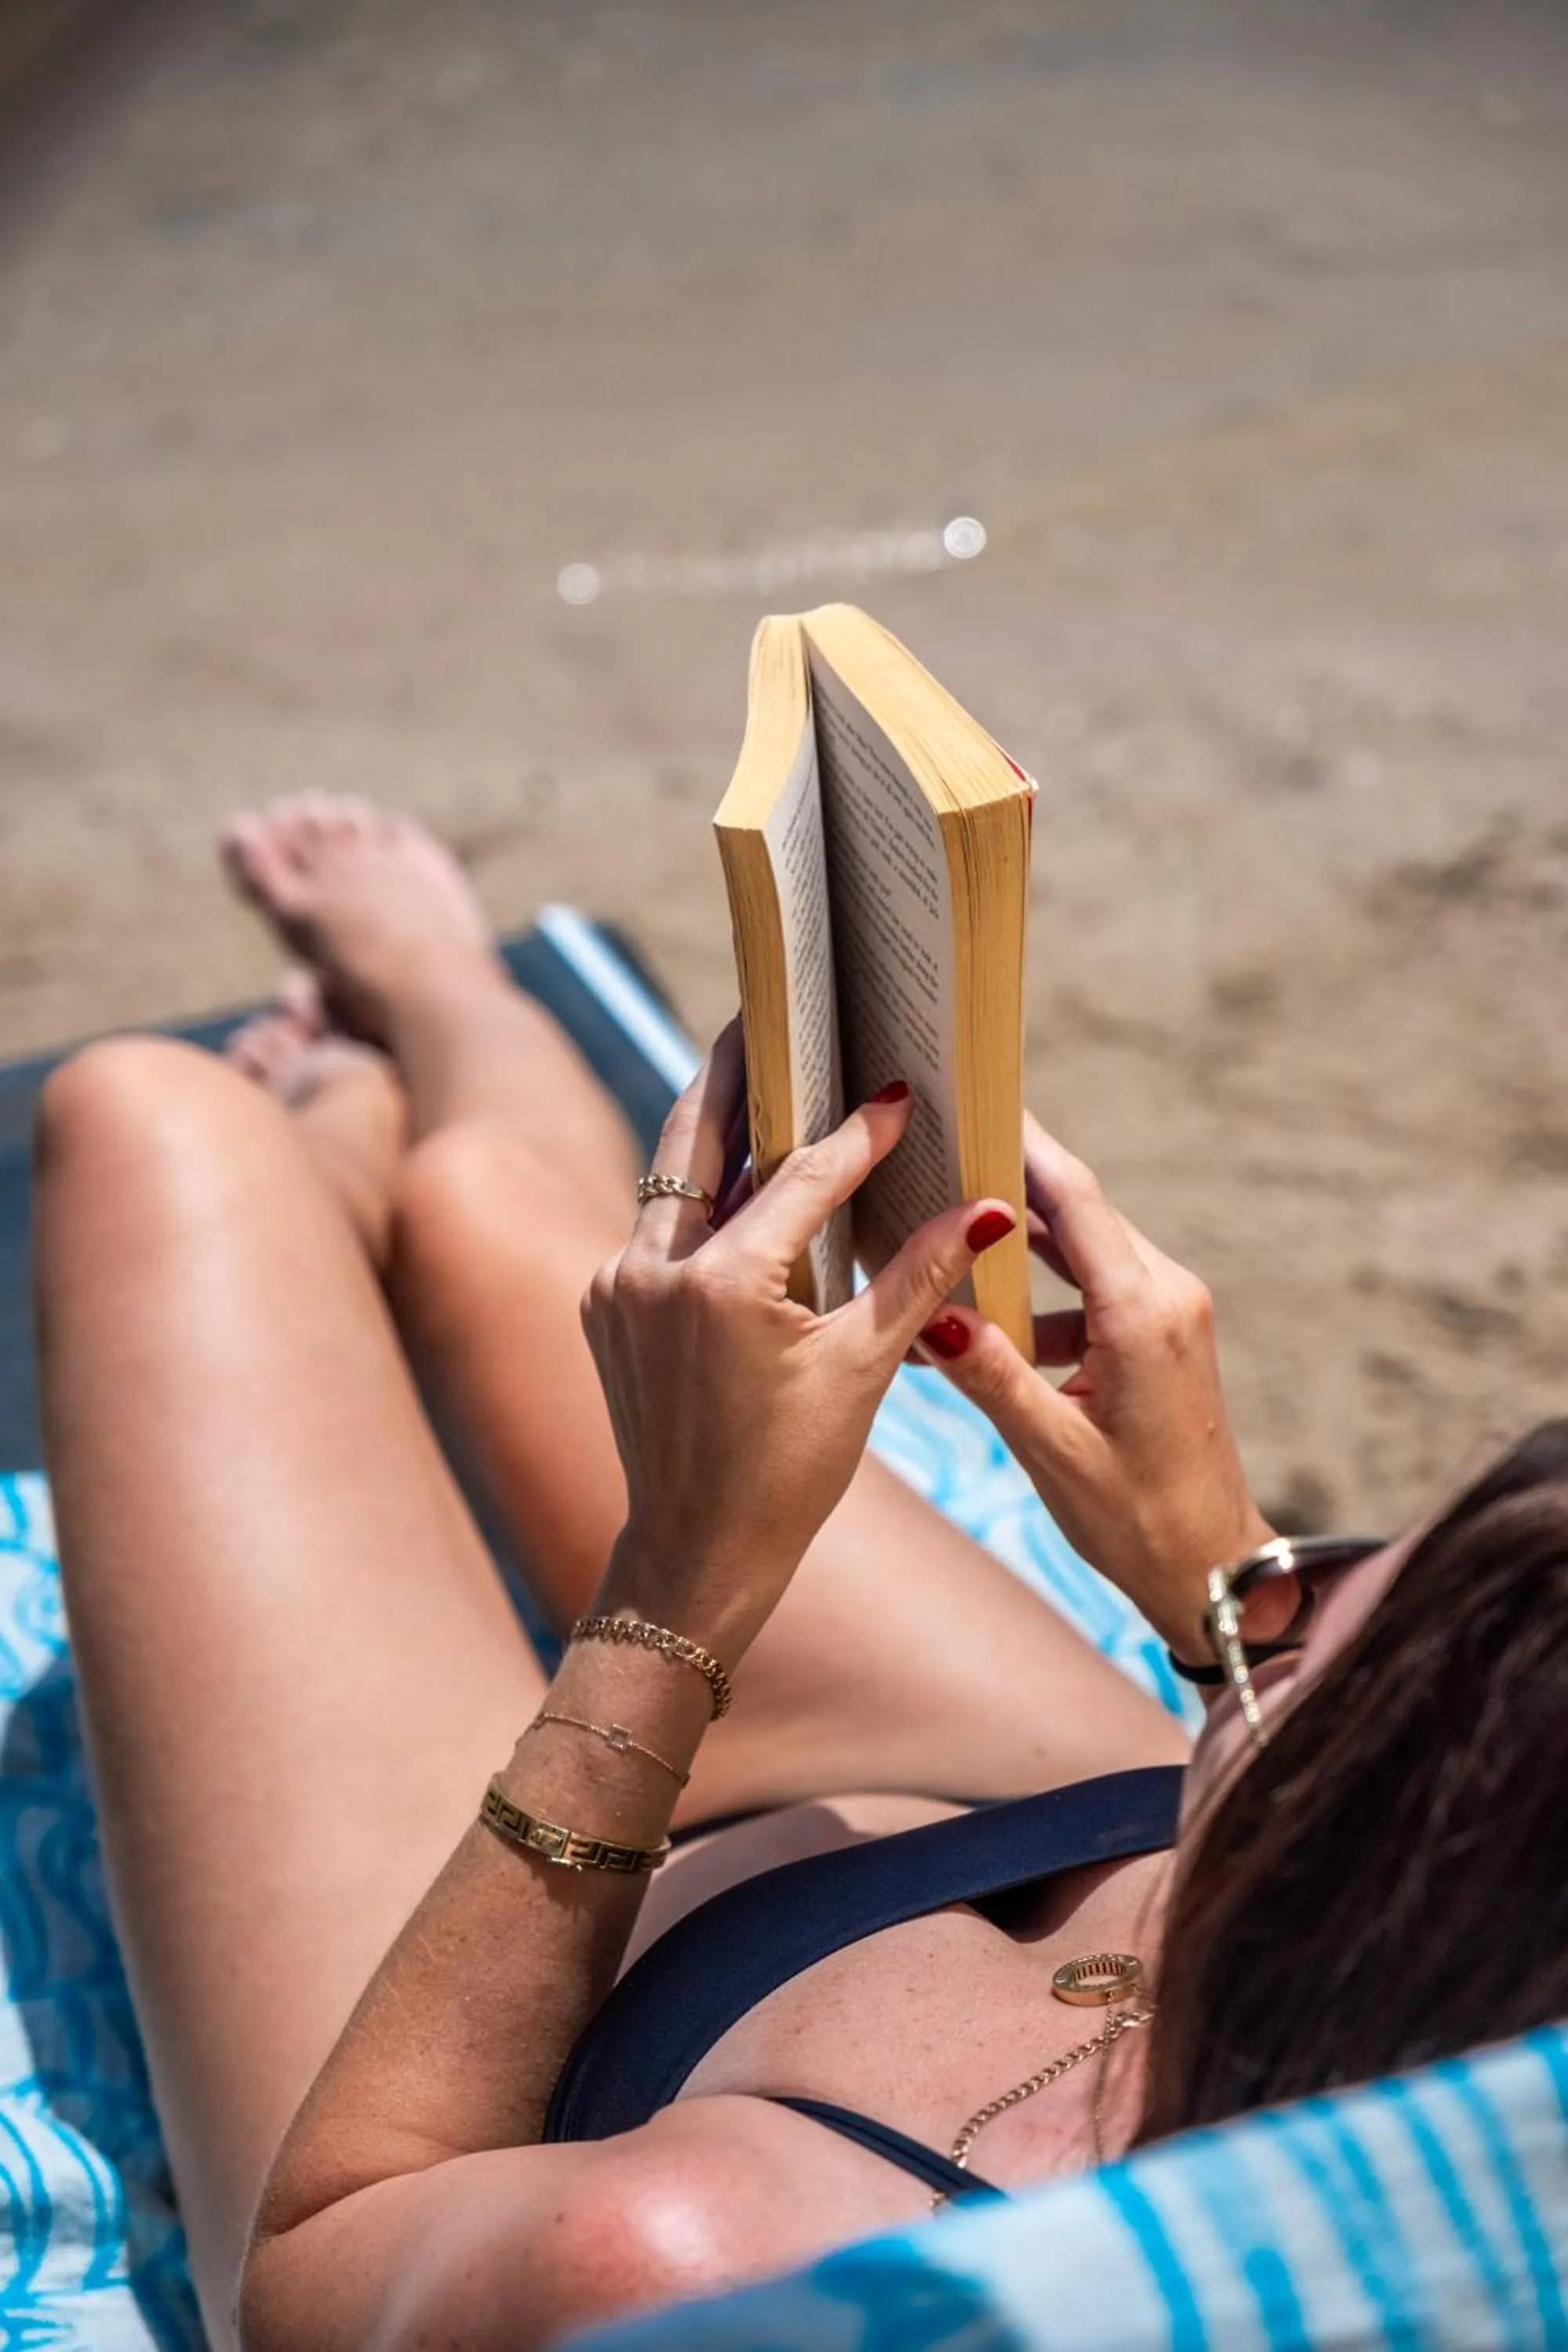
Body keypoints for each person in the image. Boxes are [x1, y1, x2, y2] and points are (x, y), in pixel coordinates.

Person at [31, 799, 1567, 2352]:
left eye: (1328, 1620)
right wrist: (1210, 1566)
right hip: (1019, 1821)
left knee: (156, 1128)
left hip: (507, 2056)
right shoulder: (1470, 2008)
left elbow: (312, 2264)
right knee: (501, 1219)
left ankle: (343, 1134)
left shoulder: (714, 2266)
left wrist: (676, 1593)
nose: (1282, 1604)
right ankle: (440, 999)